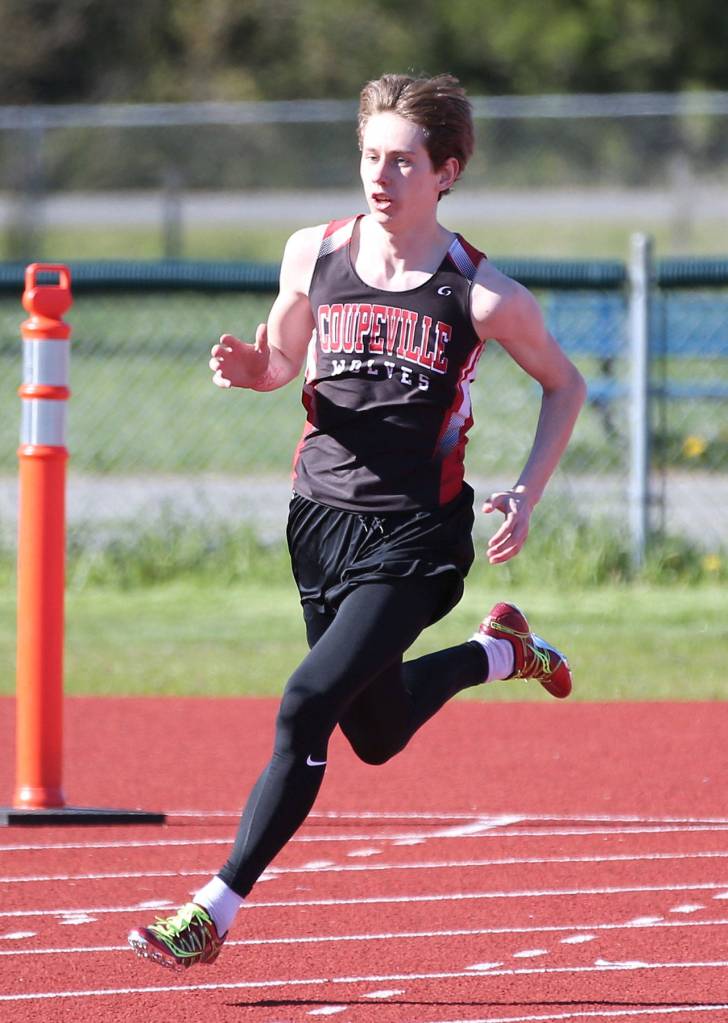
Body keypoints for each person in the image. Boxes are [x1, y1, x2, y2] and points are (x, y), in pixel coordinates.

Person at [128, 72, 586, 972]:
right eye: (370, 155)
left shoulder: (482, 294)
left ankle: (212, 908)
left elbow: (563, 383)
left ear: (446, 171)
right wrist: (251, 364)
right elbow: (281, 363)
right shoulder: (314, 252)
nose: (381, 176)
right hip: (319, 523)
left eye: (404, 161)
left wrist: (528, 491)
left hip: (418, 537)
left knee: (305, 705)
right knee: (372, 735)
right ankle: (504, 651)